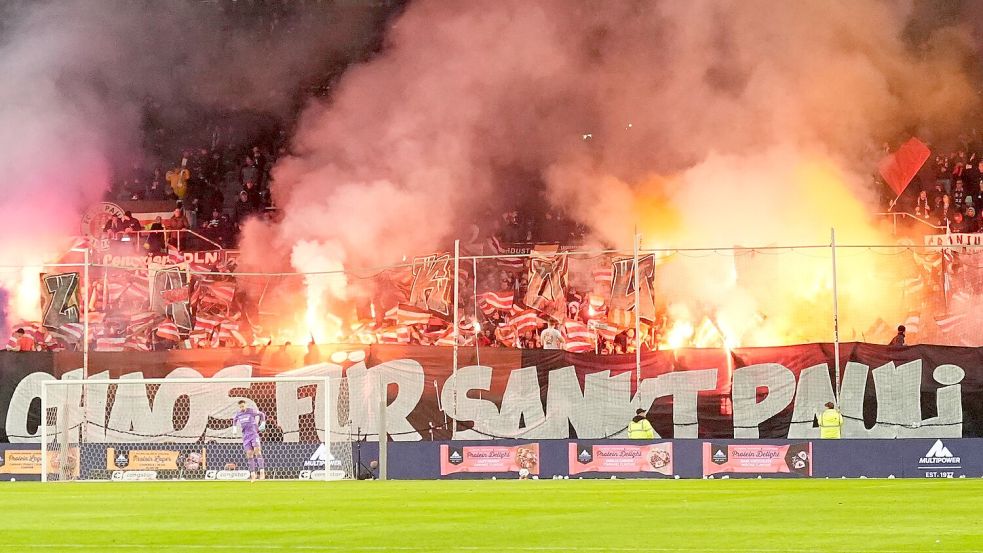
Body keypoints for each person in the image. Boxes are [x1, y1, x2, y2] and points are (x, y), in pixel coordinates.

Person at [232, 400, 267, 481]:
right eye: (240, 407)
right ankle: (253, 474)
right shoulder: (238, 414)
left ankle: (262, 472)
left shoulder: (251, 411)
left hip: (254, 435)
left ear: (245, 405)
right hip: (246, 437)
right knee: (249, 454)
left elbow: (262, 414)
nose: (242, 408)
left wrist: (263, 423)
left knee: (257, 451)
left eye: (243, 406)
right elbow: (234, 420)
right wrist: (234, 429)